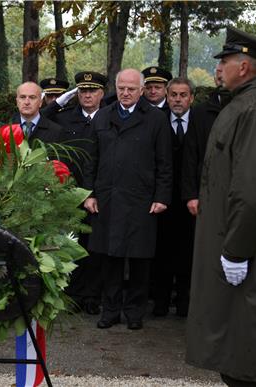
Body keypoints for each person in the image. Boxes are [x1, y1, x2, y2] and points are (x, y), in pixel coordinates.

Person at [185, 27, 256, 387]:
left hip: (246, 252)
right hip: (233, 242)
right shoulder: (245, 104)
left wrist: (236, 250)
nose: (220, 68)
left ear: (244, 67)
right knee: (235, 346)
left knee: (247, 348)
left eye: (225, 61)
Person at [83, 68, 172, 330]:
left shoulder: (155, 119)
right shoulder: (103, 115)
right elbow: (92, 159)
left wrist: (162, 196)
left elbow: (164, 163)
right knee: (109, 258)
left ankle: (134, 312)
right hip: (108, 198)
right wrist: (89, 193)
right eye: (121, 88)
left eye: (131, 89)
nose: (125, 93)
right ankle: (110, 310)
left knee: (139, 259)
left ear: (142, 90)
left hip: (141, 200)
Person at [43, 71, 108, 315]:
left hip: (98, 192)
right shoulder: (66, 117)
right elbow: (42, 118)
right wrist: (60, 101)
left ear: (102, 93)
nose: (87, 95)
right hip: (69, 191)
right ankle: (72, 294)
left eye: (92, 90)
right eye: (82, 90)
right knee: (71, 244)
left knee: (96, 247)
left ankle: (92, 295)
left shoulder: (109, 116)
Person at [152, 77, 195, 318]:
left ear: (191, 98)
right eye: (174, 95)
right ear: (167, 98)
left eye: (183, 95)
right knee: (162, 253)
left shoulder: (199, 122)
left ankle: (184, 303)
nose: (178, 99)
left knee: (187, 253)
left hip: (189, 200)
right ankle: (160, 302)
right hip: (162, 199)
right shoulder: (158, 121)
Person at [180, 70, 231, 217]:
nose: (223, 81)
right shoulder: (199, 113)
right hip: (206, 189)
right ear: (215, 80)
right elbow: (190, 156)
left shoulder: (248, 108)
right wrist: (191, 195)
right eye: (220, 78)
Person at [12, 82, 63, 146]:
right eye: (22, 97)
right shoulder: (6, 130)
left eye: (32, 97)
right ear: (17, 102)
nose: (27, 102)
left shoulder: (56, 131)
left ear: (40, 102)